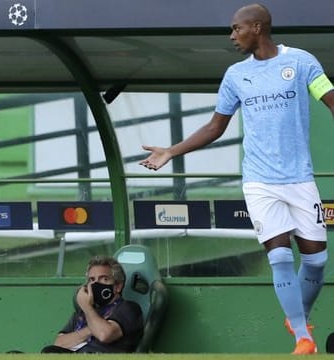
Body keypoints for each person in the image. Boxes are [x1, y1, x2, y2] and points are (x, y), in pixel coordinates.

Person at [140, 3, 334, 355]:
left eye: (236, 29)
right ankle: (303, 338)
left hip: (299, 179)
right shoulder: (235, 75)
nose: (232, 36)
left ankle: (298, 316)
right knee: (278, 255)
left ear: (257, 27)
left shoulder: (302, 62)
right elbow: (216, 126)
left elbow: (331, 100)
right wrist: (171, 151)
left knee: (317, 259)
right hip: (259, 181)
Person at [41, 256, 144, 353]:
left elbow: (104, 334)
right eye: (92, 280)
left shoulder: (128, 308)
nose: (95, 284)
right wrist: (91, 329)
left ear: (118, 286)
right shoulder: (82, 314)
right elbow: (59, 343)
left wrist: (87, 307)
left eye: (104, 279)